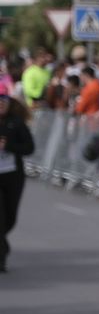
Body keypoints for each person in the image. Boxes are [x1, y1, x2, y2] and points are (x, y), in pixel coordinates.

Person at [0, 93, 36, 273]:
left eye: (3, 102)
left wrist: (7, 147)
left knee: (10, 217)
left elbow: (29, 148)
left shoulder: (16, 123)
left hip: (13, 176)